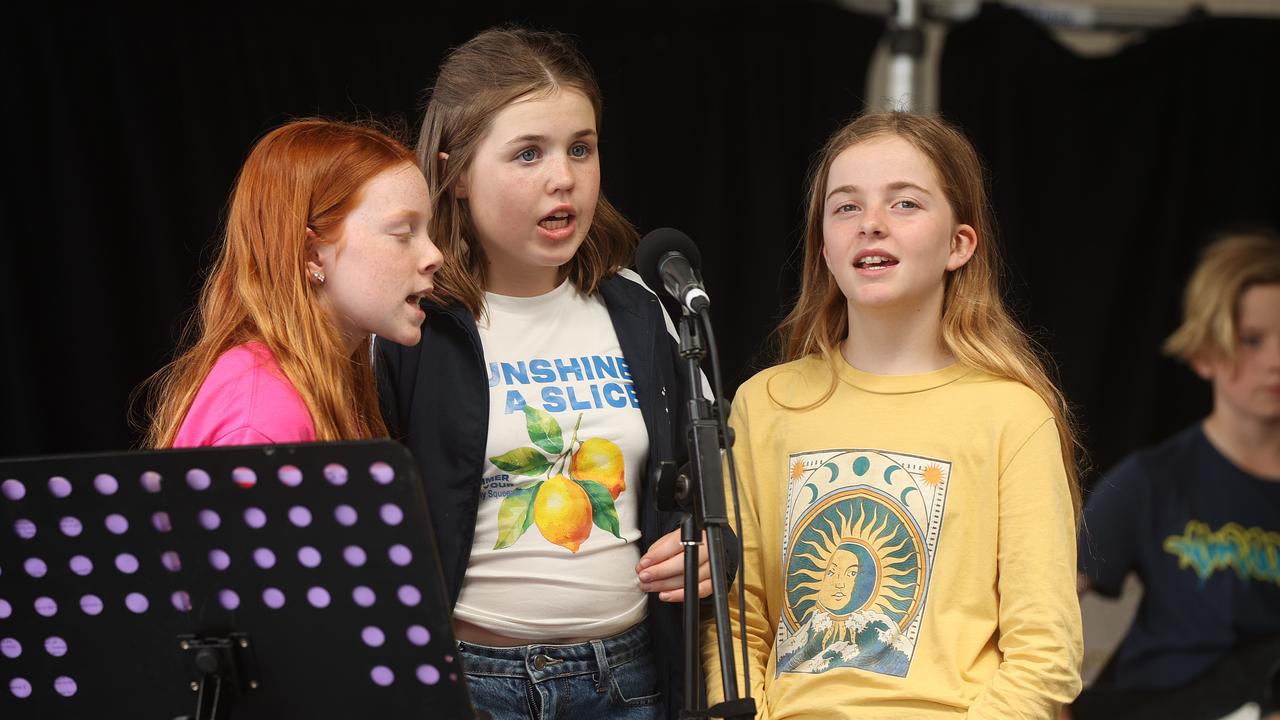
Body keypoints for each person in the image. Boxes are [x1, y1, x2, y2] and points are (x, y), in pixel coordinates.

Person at [375, 27, 727, 720]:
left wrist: (718, 546)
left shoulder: (639, 308)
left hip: (630, 681)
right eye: (528, 153)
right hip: (472, 683)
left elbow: (709, 479)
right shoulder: (412, 324)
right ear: (455, 174)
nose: (562, 177)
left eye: (580, 148)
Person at [701, 111, 1083, 718]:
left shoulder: (1012, 414)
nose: (871, 225)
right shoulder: (765, 404)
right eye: (846, 207)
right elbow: (736, 622)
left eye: (905, 204)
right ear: (823, 245)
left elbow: (1045, 654)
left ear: (959, 244)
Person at [1073, 229, 1280, 720]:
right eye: (1252, 340)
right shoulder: (1149, 481)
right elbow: (1048, 602)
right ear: (1206, 351)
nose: (1275, 360)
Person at [141, 119, 442, 448]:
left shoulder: (321, 382)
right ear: (312, 253)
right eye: (402, 233)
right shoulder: (263, 416)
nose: (434, 255)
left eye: (427, 231)